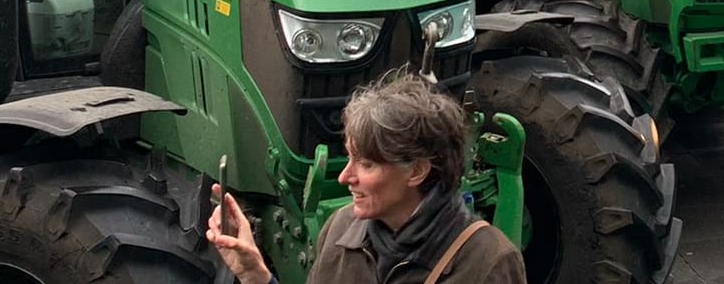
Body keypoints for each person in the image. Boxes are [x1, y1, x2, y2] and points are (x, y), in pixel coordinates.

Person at [208, 74, 527, 284]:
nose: (346, 176)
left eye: (367, 164)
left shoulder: (489, 261)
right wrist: (256, 275)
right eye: (349, 158)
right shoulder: (341, 230)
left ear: (416, 171)